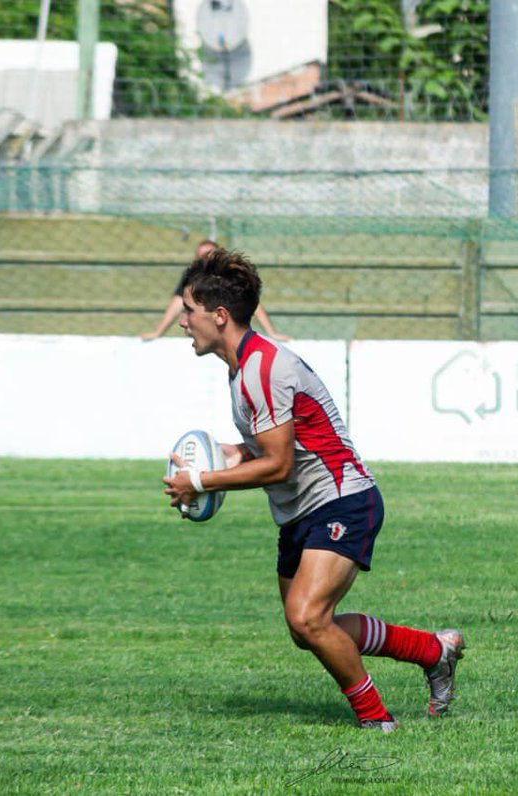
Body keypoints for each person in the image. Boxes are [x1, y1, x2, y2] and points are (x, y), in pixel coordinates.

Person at [162, 247, 463, 731]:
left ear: (219, 316)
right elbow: (267, 448)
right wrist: (219, 455)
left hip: (341, 498)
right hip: (300, 512)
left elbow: (278, 465)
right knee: (309, 629)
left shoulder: (264, 367)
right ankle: (433, 650)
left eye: (189, 311)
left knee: (308, 617)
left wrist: (200, 480)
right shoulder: (243, 367)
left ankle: (377, 721)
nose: (182, 322)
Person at [140, 240, 289, 342]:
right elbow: (178, 302)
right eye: (201, 256)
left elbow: (251, 303)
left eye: (209, 253)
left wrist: (271, 333)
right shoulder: (192, 277)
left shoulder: (228, 276)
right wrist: (158, 332)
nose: (205, 258)